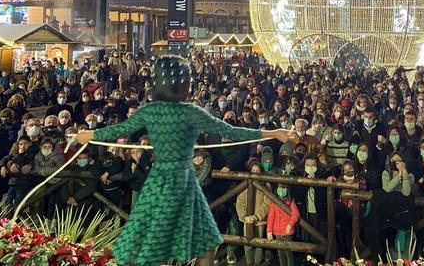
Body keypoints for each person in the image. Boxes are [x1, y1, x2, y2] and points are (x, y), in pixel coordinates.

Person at [76, 56, 293, 266]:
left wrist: (273, 133)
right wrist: (273, 133)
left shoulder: (157, 110)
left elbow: (121, 129)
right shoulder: (184, 111)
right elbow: (232, 131)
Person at [266, 183, 300, 266]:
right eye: (280, 187)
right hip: (277, 232)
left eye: (284, 188)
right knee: (280, 253)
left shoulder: (291, 201)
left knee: (288, 253)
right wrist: (269, 231)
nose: (281, 189)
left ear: (287, 190)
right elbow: (271, 217)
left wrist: (290, 224)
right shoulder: (274, 202)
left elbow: (296, 214)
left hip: (288, 232)